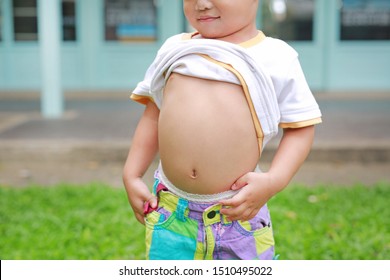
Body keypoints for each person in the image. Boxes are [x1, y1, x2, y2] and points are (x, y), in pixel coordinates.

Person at [123, 0, 321, 260]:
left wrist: (275, 180)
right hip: (171, 210)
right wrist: (132, 173)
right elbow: (153, 114)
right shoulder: (175, 48)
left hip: (237, 214)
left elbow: (301, 128)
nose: (202, 4)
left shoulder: (276, 56)